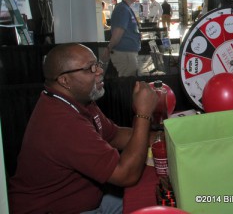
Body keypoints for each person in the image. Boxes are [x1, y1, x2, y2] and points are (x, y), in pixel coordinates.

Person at [8, 43, 158, 213]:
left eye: (97, 65)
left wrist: (164, 138)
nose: (100, 71)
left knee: (155, 197)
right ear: (65, 81)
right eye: (90, 68)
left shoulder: (79, 100)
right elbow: (126, 175)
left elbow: (115, 135)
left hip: (93, 200)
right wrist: (143, 114)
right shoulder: (62, 124)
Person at [101, 0, 141, 77]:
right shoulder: (122, 9)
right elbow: (118, 33)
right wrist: (108, 48)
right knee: (126, 84)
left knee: (128, 82)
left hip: (128, 53)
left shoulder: (126, 8)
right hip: (124, 54)